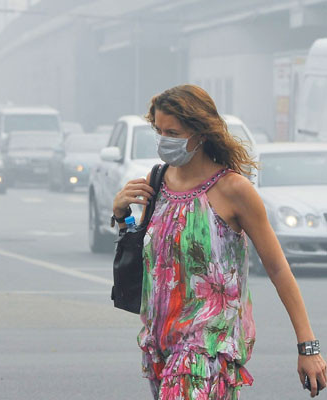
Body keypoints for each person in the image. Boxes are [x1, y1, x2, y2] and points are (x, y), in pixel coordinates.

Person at [111, 84, 326, 399]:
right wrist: (121, 215)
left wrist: (308, 347)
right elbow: (148, 254)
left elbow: (279, 268)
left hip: (208, 348)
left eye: (173, 132)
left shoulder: (233, 190)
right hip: (160, 344)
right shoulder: (157, 180)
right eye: (158, 130)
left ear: (200, 133)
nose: (163, 140)